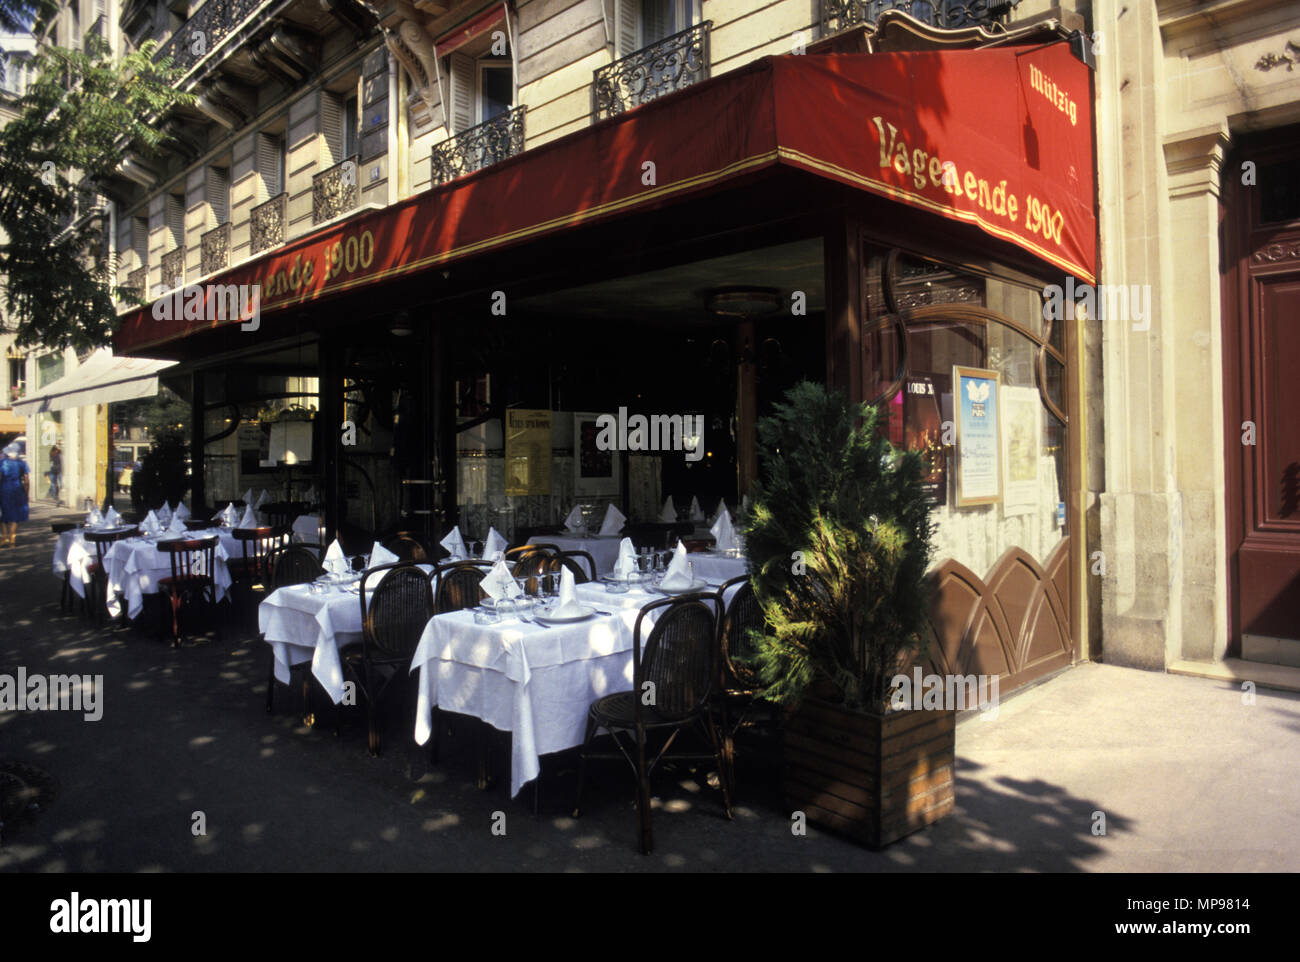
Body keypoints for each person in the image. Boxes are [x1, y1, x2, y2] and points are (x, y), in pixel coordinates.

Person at [0, 442, 30, 548]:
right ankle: (12, 540)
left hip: (4, 489)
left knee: (3, 513)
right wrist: (27, 493)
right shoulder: (22, 463)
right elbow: (26, 480)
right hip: (18, 489)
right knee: (15, 515)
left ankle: (4, 537)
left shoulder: (2, 463)